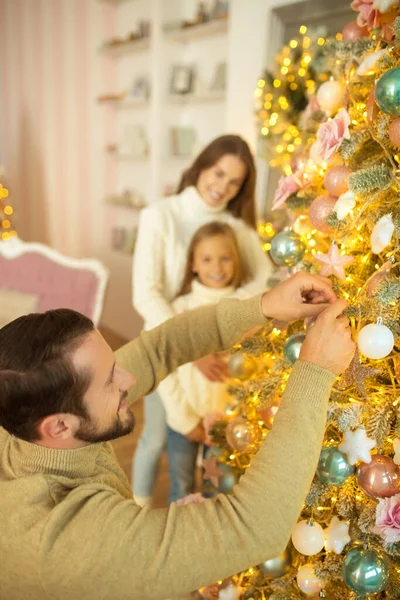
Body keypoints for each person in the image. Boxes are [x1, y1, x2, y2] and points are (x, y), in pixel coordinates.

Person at [0, 272, 355, 600]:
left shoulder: (31, 416)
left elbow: (157, 350)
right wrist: (315, 371)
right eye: (110, 381)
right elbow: (254, 526)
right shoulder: (65, 543)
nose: (128, 379)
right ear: (60, 426)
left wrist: (263, 306)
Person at [132, 134, 273, 506]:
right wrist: (188, 347)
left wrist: (223, 322)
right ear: (201, 166)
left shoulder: (235, 227)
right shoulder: (159, 215)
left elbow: (265, 280)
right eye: (218, 173)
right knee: (158, 437)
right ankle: (138, 508)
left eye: (234, 182)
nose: (222, 187)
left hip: (213, 348)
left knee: (205, 437)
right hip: (163, 343)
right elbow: (145, 293)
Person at [158, 221, 250, 503]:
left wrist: (231, 419)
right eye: (207, 259)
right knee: (181, 489)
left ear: (236, 261)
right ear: (194, 264)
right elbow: (166, 370)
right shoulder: (178, 309)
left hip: (226, 425)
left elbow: (251, 370)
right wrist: (185, 420)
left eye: (225, 258)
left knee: (219, 492)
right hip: (182, 422)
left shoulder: (244, 307)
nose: (217, 267)